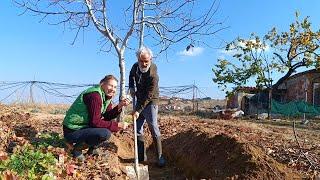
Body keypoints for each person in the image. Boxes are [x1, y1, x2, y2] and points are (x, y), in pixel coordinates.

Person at [63, 75, 130, 161]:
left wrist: (120, 106)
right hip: (72, 130)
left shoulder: (106, 97)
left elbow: (107, 116)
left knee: (106, 126)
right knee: (105, 133)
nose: (113, 89)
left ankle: (92, 149)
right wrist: (117, 125)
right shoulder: (95, 96)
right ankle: (76, 149)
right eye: (110, 85)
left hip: (83, 127)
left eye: (115, 87)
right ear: (102, 84)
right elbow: (95, 122)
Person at [129, 46, 166, 167]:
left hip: (151, 102)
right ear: (138, 59)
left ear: (150, 59)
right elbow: (131, 75)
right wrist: (131, 87)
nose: (144, 64)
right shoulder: (135, 66)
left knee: (153, 126)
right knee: (137, 127)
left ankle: (160, 157)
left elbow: (149, 96)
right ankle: (140, 156)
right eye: (142, 61)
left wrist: (138, 110)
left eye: (147, 61)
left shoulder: (153, 75)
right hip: (140, 98)